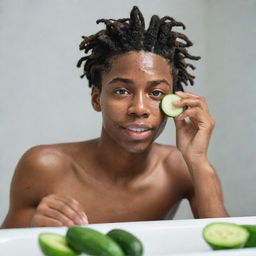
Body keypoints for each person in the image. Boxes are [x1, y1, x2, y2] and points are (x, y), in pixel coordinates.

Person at [1, 6, 228, 228]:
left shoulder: (181, 168)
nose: (139, 108)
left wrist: (198, 160)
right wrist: (32, 229)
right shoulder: (43, 166)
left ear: (176, 103)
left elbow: (230, 247)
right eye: (122, 91)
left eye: (156, 93)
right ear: (96, 99)